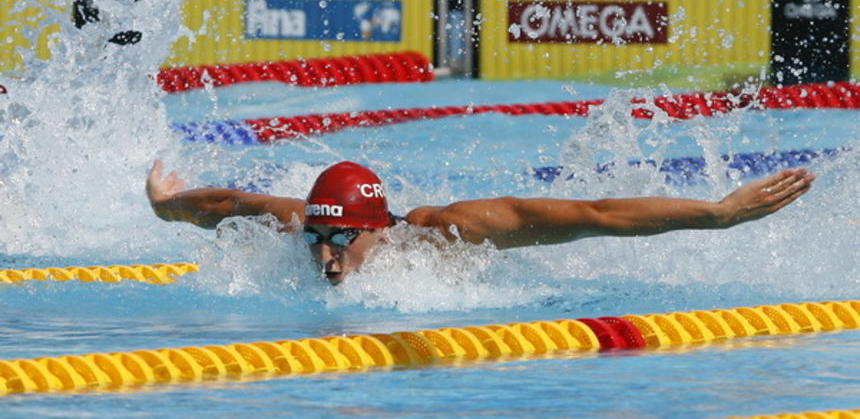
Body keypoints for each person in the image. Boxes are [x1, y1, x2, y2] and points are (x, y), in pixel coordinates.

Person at [146, 159, 815, 285]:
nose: (325, 254)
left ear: (376, 229)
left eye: (343, 238)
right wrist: (163, 203)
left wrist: (720, 214)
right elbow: (224, 205)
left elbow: (596, 214)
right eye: (319, 237)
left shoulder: (449, 232)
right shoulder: (299, 225)